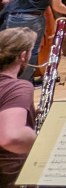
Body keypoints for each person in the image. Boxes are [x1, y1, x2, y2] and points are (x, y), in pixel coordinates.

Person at [0, 27, 38, 187]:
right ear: (23, 56)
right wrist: (43, 141)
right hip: (10, 177)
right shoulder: (18, 87)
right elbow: (12, 137)